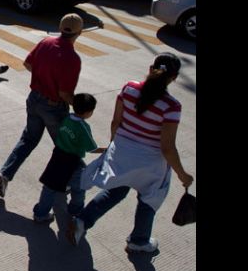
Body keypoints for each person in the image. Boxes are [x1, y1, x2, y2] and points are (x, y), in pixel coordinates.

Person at [69, 53, 194, 253]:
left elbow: (115, 122)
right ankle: (139, 241)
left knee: (115, 190)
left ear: (151, 67)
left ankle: (82, 221)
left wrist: (114, 147)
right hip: (150, 164)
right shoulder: (171, 106)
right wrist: (183, 175)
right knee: (149, 199)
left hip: (122, 151)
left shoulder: (129, 88)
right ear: (174, 78)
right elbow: (167, 147)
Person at [0, 13, 84, 199]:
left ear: (60, 28)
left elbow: (27, 63)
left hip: (34, 99)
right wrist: (80, 107)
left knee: (28, 139)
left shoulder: (46, 42)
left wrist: (43, 75)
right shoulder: (72, 58)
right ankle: (67, 184)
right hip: (54, 107)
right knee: (65, 147)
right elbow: (64, 94)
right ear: (80, 32)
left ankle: (5, 176)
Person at [34, 93, 103, 223]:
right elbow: (91, 148)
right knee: (79, 187)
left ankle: (40, 213)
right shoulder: (83, 127)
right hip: (73, 161)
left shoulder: (66, 118)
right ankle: (75, 211)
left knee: (50, 187)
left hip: (58, 156)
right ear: (88, 112)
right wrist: (107, 149)